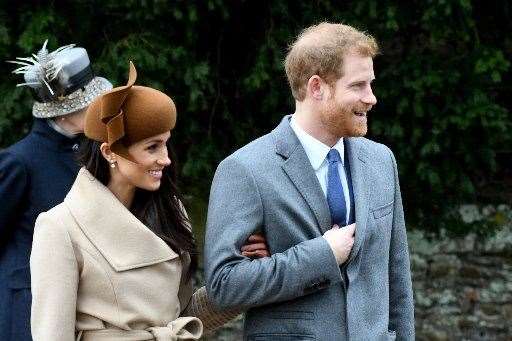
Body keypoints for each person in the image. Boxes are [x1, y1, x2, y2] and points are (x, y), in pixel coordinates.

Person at [205, 22, 415, 340]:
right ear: (317, 87)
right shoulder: (245, 170)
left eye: (371, 84)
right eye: (358, 86)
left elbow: (397, 279)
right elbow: (224, 286)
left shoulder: (381, 161)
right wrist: (322, 256)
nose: (372, 98)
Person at [30, 61, 268, 340]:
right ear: (109, 153)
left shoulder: (170, 211)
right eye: (152, 147)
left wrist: (243, 273)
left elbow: (182, 318)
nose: (166, 158)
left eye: (166, 143)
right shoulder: (60, 227)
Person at [0, 41, 113, 341]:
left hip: (83, 298)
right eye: (90, 104)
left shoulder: (95, 151)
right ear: (63, 114)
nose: (98, 108)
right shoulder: (19, 161)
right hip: (28, 304)